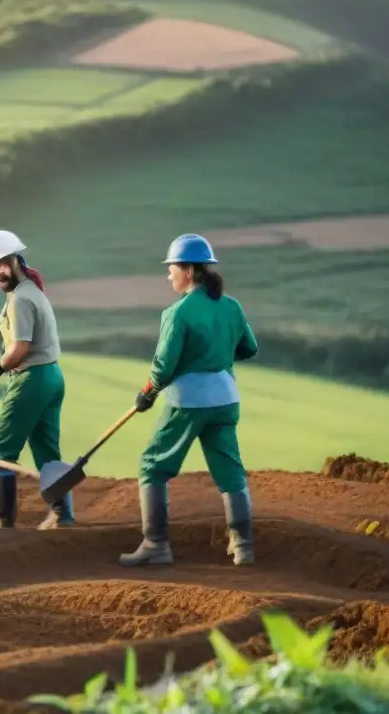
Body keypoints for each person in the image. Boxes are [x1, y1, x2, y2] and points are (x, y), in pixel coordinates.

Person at [119, 233, 258, 568]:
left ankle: (156, 545)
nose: (169, 274)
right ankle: (243, 547)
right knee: (230, 471)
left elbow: (163, 367)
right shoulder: (231, 306)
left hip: (189, 402)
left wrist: (146, 394)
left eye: (173, 268)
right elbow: (249, 348)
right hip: (225, 399)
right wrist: (217, 353)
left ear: (190, 271)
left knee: (152, 466)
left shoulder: (177, 313)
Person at [0, 230, 69, 532]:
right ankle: (62, 515)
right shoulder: (33, 290)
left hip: (31, 378)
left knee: (2, 452)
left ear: (17, 260)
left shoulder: (19, 299)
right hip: (52, 376)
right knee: (47, 451)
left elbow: (19, 348)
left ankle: (2, 522)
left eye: (4, 263)